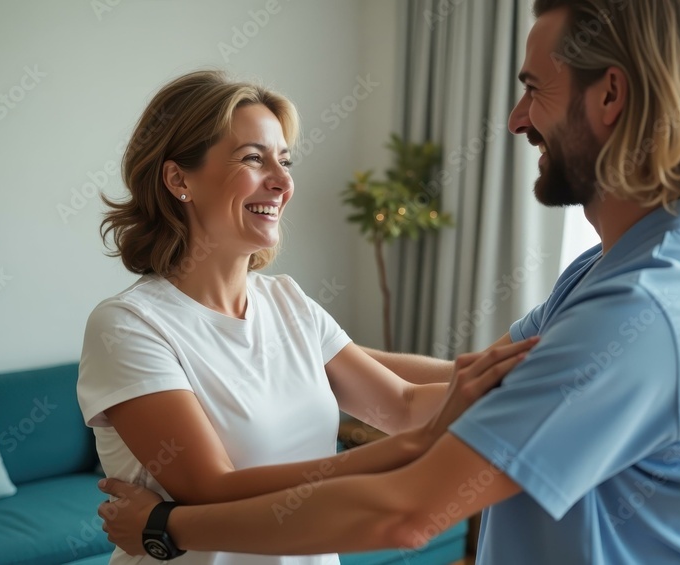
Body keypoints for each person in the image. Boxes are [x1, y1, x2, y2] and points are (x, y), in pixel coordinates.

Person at [97, 0, 680, 563]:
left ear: (611, 95)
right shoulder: (600, 274)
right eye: (253, 158)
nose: (514, 119)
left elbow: (409, 507)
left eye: (533, 88)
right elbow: (476, 380)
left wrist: (164, 526)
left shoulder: (641, 309)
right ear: (177, 179)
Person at [76, 70, 537, 565]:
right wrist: (416, 447)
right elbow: (213, 488)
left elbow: (400, 403)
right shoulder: (128, 326)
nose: (282, 181)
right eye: (254, 158)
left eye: (284, 160)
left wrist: (542, 371)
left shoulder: (287, 302)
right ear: (177, 179)